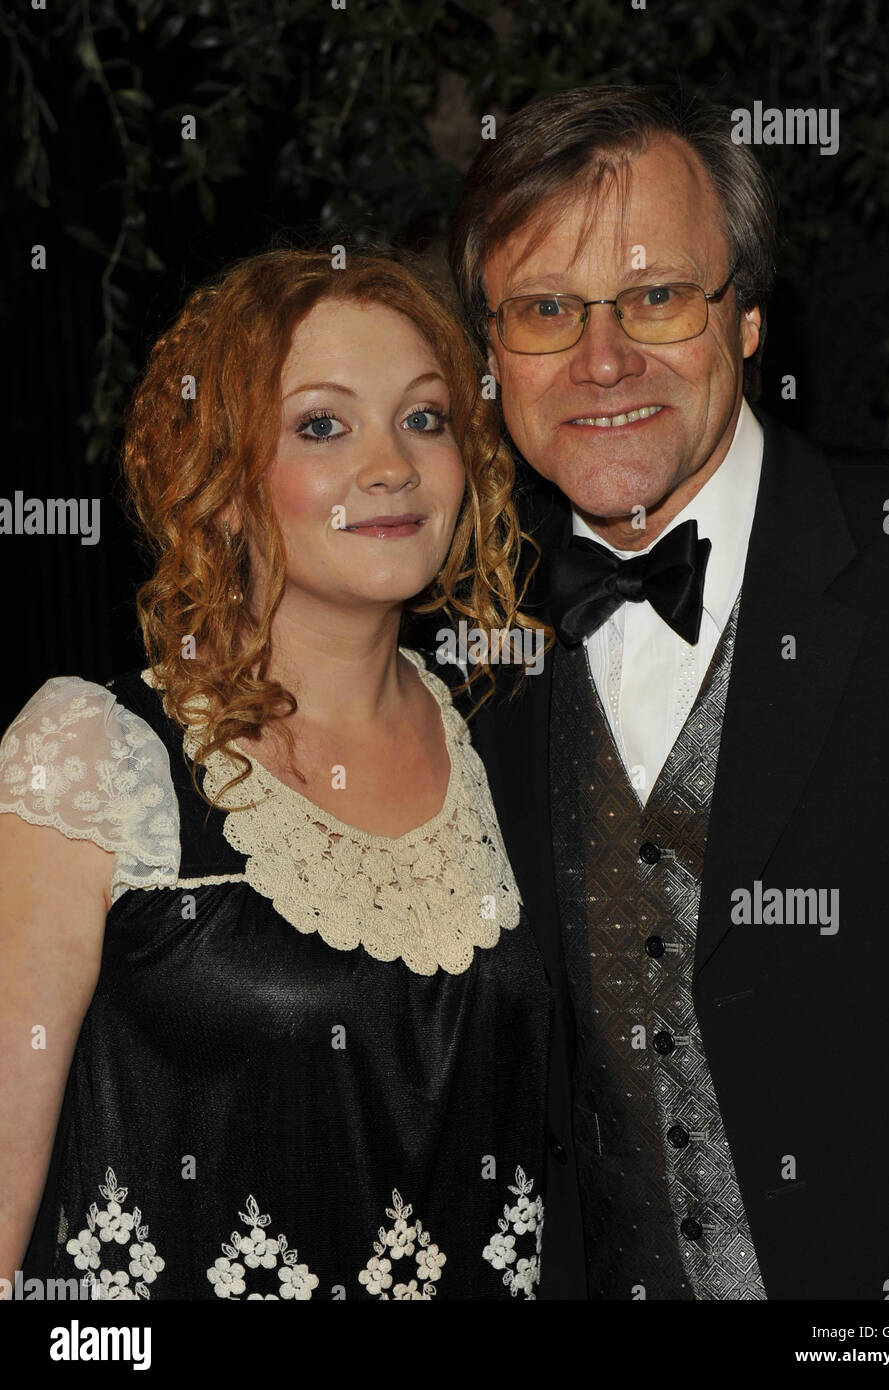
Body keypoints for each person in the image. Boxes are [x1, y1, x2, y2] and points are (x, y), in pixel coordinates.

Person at [435, 84, 889, 1300]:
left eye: (654, 295)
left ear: (743, 319)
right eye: (542, 310)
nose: (601, 357)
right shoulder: (453, 657)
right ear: (487, 355)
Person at [0, 246, 558, 1301]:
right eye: (321, 424)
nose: (390, 464)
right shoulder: (92, 753)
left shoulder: (515, 743)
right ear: (219, 478)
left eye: (425, 417)